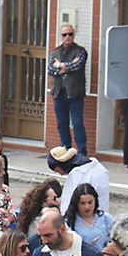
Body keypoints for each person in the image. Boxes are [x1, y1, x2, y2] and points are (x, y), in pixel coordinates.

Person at [49, 23, 89, 157]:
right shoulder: (55, 52)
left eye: (70, 34)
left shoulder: (80, 51)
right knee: (62, 124)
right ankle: (65, 150)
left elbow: (77, 65)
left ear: (74, 35)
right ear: (60, 36)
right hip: (58, 93)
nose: (67, 37)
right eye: (64, 35)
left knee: (77, 124)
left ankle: (82, 152)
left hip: (75, 94)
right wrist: (65, 67)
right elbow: (50, 69)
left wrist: (60, 65)